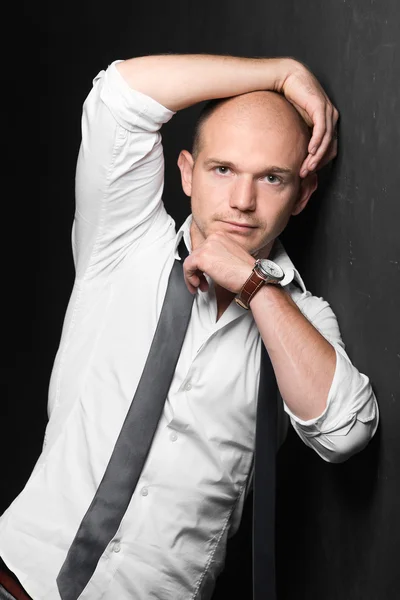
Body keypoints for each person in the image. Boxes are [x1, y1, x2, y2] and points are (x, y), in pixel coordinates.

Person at [0, 53, 378, 600]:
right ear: (186, 172)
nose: (242, 203)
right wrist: (280, 73)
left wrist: (256, 288)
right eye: (222, 169)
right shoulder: (125, 243)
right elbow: (121, 95)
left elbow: (346, 433)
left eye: (272, 178)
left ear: (303, 194)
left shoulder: (302, 318)